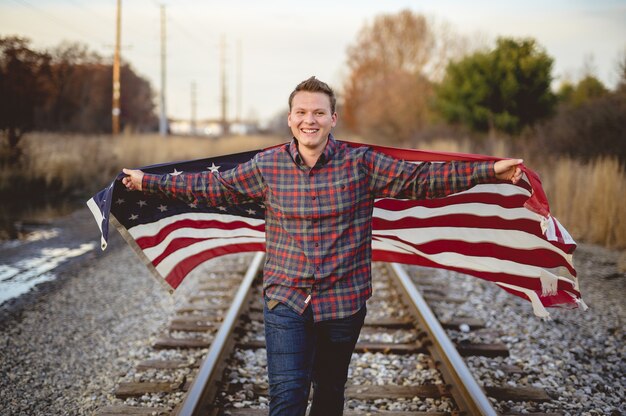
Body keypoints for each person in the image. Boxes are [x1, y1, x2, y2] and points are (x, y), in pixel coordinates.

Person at [122, 76, 523, 415]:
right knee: (287, 398)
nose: (309, 120)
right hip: (287, 300)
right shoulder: (268, 166)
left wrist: (489, 171)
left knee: (329, 395)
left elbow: (421, 179)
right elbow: (211, 186)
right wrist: (148, 182)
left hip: (344, 302)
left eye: (318, 113)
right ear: (290, 119)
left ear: (333, 118)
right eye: (301, 112)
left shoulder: (361, 163)